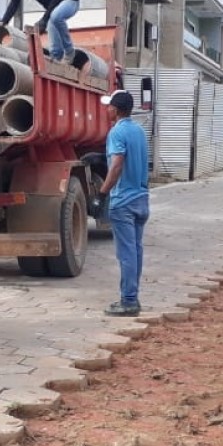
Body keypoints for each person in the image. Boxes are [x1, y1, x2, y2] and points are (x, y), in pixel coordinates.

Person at [97, 90, 150, 317]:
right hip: (141, 200)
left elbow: (117, 164)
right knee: (135, 251)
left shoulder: (116, 132)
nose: (107, 109)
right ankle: (132, 297)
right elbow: (131, 158)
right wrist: (100, 159)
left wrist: (102, 192)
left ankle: (128, 301)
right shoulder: (138, 131)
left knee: (126, 254)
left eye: (109, 106)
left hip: (124, 202)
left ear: (116, 110)